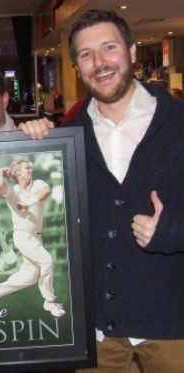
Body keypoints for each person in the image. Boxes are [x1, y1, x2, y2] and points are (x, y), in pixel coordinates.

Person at [20, 9, 184, 372]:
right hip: (98, 328)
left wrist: (172, 230)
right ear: (77, 67)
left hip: (172, 321)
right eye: (85, 54)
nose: (99, 62)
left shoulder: (177, 121)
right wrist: (31, 143)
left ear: (131, 51)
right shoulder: (67, 134)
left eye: (109, 47)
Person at [0, 159, 65, 318]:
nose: (31, 169)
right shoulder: (12, 192)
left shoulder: (37, 184)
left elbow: (47, 191)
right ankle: (50, 301)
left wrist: (29, 202)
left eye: (30, 167)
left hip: (37, 238)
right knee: (48, 262)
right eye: (26, 168)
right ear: (17, 173)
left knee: (30, 276)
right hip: (22, 236)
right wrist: (1, 170)